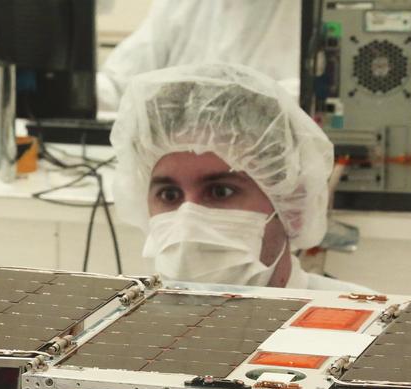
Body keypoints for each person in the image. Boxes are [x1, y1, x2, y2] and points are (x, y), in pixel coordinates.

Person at [111, 63, 370, 292]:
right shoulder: (117, 334)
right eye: (169, 195)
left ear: (293, 204)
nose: (188, 220)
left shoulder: (367, 328)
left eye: (220, 192)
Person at [97, 0, 302, 111]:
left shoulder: (314, 12)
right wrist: (74, 89)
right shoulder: (181, 5)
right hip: (180, 172)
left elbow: (313, 106)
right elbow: (118, 87)